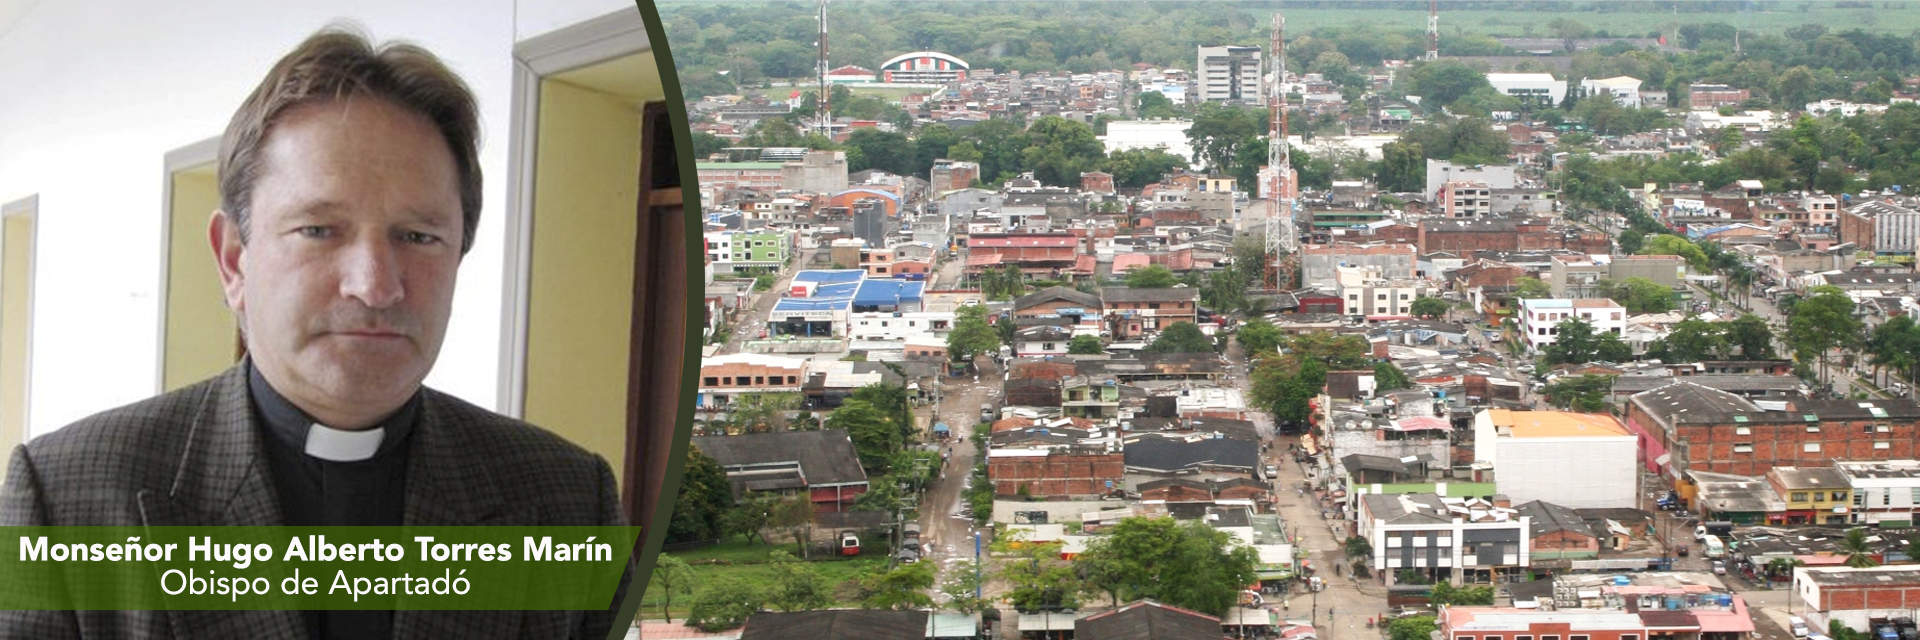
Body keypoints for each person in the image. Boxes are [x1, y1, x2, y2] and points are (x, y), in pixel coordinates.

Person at [0, 27, 629, 639]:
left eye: (418, 236)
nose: (376, 285)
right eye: (319, 229)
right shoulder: (65, 498)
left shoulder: (570, 501)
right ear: (233, 259)